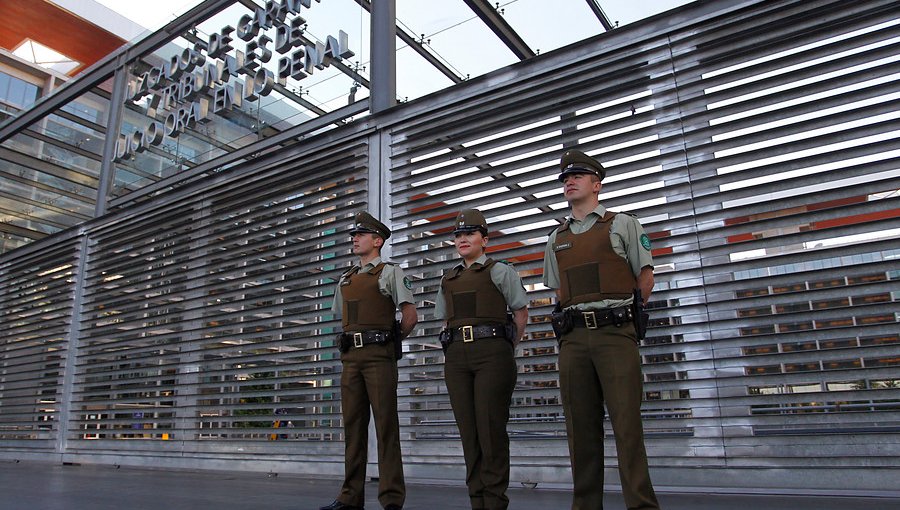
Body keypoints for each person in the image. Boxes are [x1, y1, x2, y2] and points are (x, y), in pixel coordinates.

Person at [542, 150, 660, 510]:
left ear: (597, 184)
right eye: (565, 178)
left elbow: (645, 278)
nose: (569, 182)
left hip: (614, 334)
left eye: (577, 176)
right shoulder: (555, 237)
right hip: (575, 339)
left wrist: (619, 315)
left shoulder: (623, 224)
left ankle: (640, 505)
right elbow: (559, 291)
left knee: (627, 426)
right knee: (580, 431)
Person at [321, 211, 418, 510]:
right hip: (351, 358)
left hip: (379, 356)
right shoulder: (346, 278)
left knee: (386, 427)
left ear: (377, 241)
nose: (354, 238)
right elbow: (342, 318)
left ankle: (391, 499)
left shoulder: (390, 272)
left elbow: (410, 317)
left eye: (360, 235)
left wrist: (388, 341)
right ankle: (350, 498)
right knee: (353, 428)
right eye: (354, 235)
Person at [434, 209, 529, 510]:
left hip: (493, 354)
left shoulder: (501, 271)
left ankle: (495, 502)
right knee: (469, 433)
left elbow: (521, 313)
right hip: (457, 357)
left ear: (484, 240)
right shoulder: (449, 278)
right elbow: (444, 320)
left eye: (470, 234)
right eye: (458, 235)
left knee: (491, 431)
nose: (463, 239)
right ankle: (477, 501)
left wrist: (507, 346)